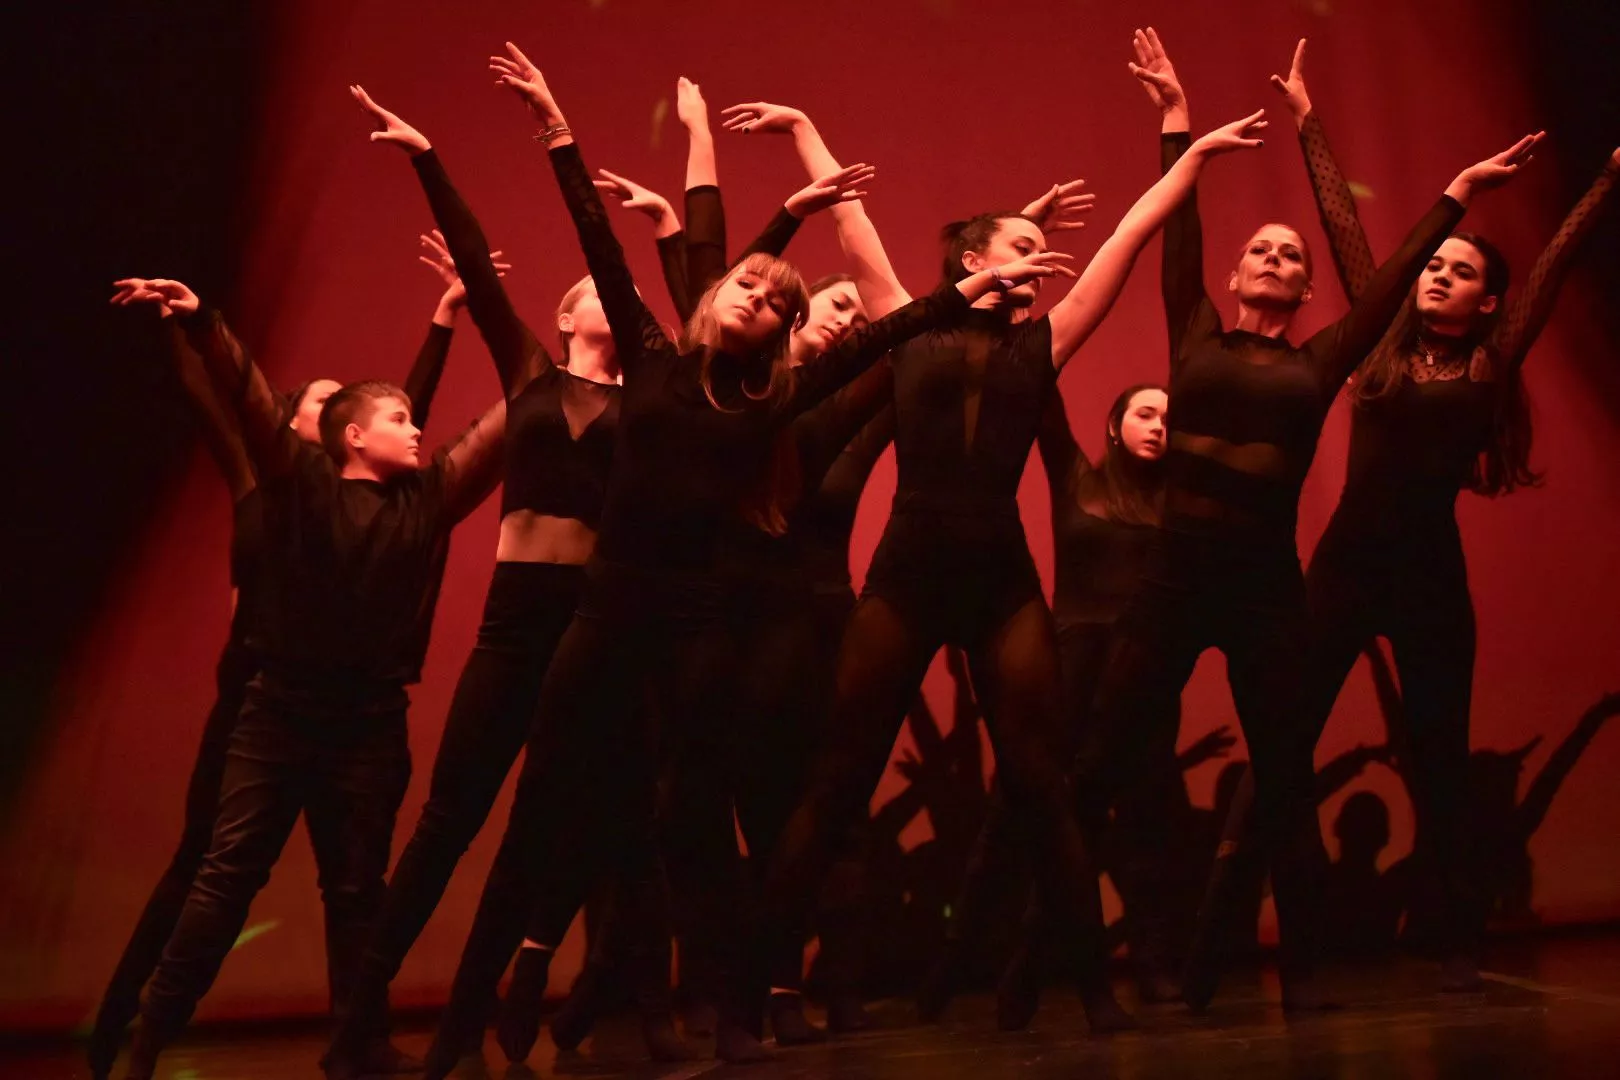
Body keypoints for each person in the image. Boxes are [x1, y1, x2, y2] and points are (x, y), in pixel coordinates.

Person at [418, 42, 1070, 1072]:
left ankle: (730, 1014)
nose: (754, 298)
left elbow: (889, 329)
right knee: (546, 809)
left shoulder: (778, 399)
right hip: (604, 614)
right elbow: (601, 237)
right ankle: (463, 1023)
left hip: (695, 623)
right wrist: (552, 125)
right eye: (744, 286)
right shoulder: (652, 359)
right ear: (713, 295)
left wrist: (980, 282)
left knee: (690, 821)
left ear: (778, 333)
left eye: (774, 300)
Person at [719, 90, 1270, 1035]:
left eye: (1037, 250)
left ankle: (1093, 992)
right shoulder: (906, 321)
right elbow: (849, 219)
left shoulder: (1045, 340)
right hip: (908, 571)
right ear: (972, 263)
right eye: (1019, 247)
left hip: (1000, 580)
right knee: (838, 777)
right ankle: (748, 996)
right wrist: (807, 124)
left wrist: (1194, 152)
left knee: (1042, 782)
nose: (1040, 258)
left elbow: (1130, 236)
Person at [1086, 27, 1540, 1013]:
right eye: (1263, 247)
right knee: (1105, 759)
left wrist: (1457, 193)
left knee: (1293, 776)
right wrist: (1177, 123)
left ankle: (1293, 964)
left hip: (1269, 591)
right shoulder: (1196, 327)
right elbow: (1180, 241)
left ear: (1303, 289)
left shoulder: (1327, 357)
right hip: (1176, 582)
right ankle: (1073, 961)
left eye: (1290, 253)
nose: (1276, 255)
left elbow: (1379, 266)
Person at [1199, 39, 1618, 994]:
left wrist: (1605, 177)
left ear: (1488, 301)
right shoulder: (1383, 339)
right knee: (1282, 743)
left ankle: (1456, 937)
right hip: (1344, 564)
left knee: (1438, 759)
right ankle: (1233, 932)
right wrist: (1307, 119)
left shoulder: (1489, 362)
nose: (1436, 275)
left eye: (1460, 271)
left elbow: (1557, 257)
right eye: (1435, 263)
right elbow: (1345, 227)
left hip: (1431, 575)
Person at [87, 251, 476, 1080]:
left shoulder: (394, 496)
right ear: (332, 429)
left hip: (361, 713)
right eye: (331, 404)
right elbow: (236, 402)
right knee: (215, 874)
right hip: (263, 701)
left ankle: (356, 1044)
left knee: (352, 889)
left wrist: (445, 320)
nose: (396, 420)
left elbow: (413, 418)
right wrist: (193, 327)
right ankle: (132, 1033)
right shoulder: (274, 475)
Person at [919, 383, 1182, 1027]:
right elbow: (1045, 395)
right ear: (1116, 425)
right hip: (1065, 672)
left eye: (1170, 418)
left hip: (1141, 676)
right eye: (1144, 413)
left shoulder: (1181, 505)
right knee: (1012, 819)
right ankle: (951, 973)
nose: (1158, 426)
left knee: (1141, 819)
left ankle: (1147, 962)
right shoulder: (1076, 476)